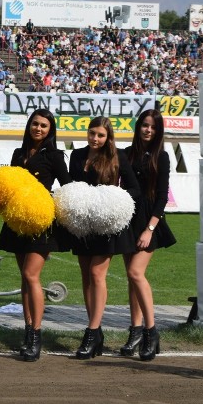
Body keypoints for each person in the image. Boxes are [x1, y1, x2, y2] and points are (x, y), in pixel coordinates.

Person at [0, 109, 72, 361]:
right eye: (35, 124)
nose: (38, 129)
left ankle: (36, 334)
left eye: (44, 126)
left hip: (42, 222)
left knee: (31, 275)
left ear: (50, 130)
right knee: (25, 278)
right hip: (19, 222)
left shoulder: (55, 155)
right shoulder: (18, 153)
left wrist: (48, 203)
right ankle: (28, 330)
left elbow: (67, 185)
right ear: (29, 126)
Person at [67, 116, 141, 359]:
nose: (95, 139)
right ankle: (95, 331)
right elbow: (72, 186)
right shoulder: (76, 155)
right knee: (86, 277)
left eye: (100, 135)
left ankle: (91, 331)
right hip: (83, 225)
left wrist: (111, 199)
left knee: (98, 275)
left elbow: (134, 189)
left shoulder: (117, 156)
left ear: (108, 137)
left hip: (105, 225)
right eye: (92, 133)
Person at [122, 109, 176, 361]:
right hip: (127, 220)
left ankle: (150, 331)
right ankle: (135, 330)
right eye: (144, 125)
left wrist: (150, 228)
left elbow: (162, 196)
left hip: (149, 222)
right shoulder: (125, 153)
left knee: (136, 273)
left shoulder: (162, 157)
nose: (148, 130)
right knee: (131, 278)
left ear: (158, 131)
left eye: (153, 127)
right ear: (138, 126)